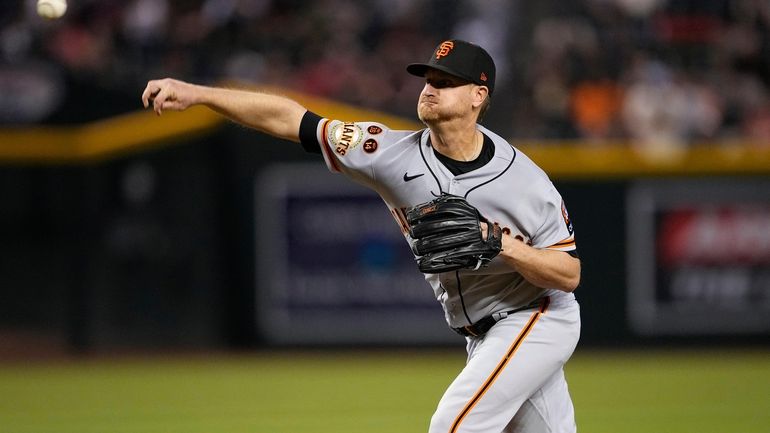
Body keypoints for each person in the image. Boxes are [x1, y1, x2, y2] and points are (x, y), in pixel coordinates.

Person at [142, 39, 581, 433]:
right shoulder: (385, 153)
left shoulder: (525, 181)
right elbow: (290, 118)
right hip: (481, 335)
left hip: (538, 315)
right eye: (428, 78)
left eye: (446, 82)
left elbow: (569, 273)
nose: (429, 88)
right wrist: (198, 94)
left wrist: (501, 244)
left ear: (477, 96)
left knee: (454, 426)